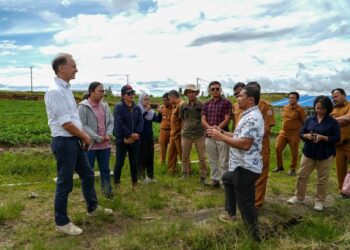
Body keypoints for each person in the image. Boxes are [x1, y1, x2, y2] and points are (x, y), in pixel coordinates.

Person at [45, 53, 112, 236]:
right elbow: (65, 123)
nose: (76, 69)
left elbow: (72, 119)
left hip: (73, 140)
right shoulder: (55, 91)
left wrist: (80, 137)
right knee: (65, 183)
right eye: (73, 66)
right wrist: (85, 136)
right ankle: (62, 222)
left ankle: (92, 208)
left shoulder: (65, 89)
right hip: (64, 141)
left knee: (88, 173)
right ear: (62, 68)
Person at [207, 85, 264, 241]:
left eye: (240, 96)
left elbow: (245, 144)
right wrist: (223, 132)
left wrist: (221, 138)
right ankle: (231, 213)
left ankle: (254, 238)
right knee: (227, 178)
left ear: (250, 99)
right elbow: (239, 135)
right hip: (240, 165)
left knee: (246, 205)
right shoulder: (248, 115)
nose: (237, 98)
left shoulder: (252, 118)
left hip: (246, 167)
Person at [287, 96, 340, 211]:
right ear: (314, 107)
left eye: (322, 109)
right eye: (317, 108)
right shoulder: (309, 120)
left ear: (327, 109)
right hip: (309, 152)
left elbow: (337, 138)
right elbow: (301, 133)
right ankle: (299, 197)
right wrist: (305, 136)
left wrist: (323, 138)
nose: (319, 111)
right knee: (302, 175)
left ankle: (319, 201)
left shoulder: (333, 122)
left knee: (322, 178)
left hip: (325, 154)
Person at [78, 82, 114, 198]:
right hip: (90, 144)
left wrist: (108, 133)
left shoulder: (105, 106)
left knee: (105, 170)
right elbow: (83, 125)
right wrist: (97, 137)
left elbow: (110, 121)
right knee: (89, 172)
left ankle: (107, 192)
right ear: (91, 92)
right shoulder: (83, 107)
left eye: (103, 91)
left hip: (105, 145)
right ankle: (90, 196)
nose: (102, 93)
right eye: (100, 91)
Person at [246, 81, 275, 210]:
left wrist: (249, 135)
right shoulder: (241, 106)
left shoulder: (266, 106)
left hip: (260, 146)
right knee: (246, 175)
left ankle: (256, 205)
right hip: (243, 145)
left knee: (260, 176)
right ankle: (246, 201)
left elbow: (267, 128)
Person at [202, 81, 232, 187]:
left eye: (217, 89)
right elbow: (203, 119)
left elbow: (227, 119)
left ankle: (225, 181)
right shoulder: (206, 103)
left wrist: (218, 129)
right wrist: (209, 128)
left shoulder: (227, 102)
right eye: (213, 89)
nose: (215, 91)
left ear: (221, 89)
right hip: (209, 135)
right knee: (212, 159)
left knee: (224, 160)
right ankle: (215, 179)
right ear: (209, 90)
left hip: (222, 136)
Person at [113, 85, 143, 189]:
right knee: (119, 162)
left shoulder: (137, 108)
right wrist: (129, 135)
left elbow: (140, 122)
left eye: (132, 93)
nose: (131, 95)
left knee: (134, 162)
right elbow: (119, 123)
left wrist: (135, 135)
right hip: (122, 139)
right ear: (123, 95)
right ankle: (117, 183)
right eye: (128, 93)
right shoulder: (119, 107)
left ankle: (135, 183)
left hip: (134, 139)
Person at [180, 84, 208, 185]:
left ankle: (203, 176)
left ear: (196, 93)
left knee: (202, 156)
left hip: (199, 133)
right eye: (189, 92)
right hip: (186, 133)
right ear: (186, 93)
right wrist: (182, 131)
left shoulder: (202, 104)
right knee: (185, 156)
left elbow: (205, 118)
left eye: (193, 92)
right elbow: (182, 119)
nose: (191, 94)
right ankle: (185, 173)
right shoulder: (183, 105)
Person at [273, 91, 306, 176]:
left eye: (293, 98)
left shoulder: (300, 110)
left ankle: (292, 169)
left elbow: (304, 122)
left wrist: (302, 133)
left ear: (297, 99)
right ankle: (279, 166)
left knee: (294, 152)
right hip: (283, 133)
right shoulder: (285, 107)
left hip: (294, 134)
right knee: (277, 148)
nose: (291, 99)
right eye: (290, 98)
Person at [330, 88, 350, 198]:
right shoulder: (333, 110)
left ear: (344, 95)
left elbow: (347, 119)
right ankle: (343, 192)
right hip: (338, 145)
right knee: (340, 169)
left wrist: (330, 122)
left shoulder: (349, 106)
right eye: (333, 97)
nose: (334, 98)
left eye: (336, 96)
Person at [138, 91, 161, 183]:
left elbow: (158, 120)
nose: (147, 101)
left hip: (149, 136)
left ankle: (150, 177)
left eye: (148, 99)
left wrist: (160, 113)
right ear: (141, 100)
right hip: (140, 137)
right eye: (145, 99)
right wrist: (146, 112)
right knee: (142, 157)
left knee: (150, 156)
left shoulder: (150, 112)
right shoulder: (137, 110)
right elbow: (139, 121)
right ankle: (141, 178)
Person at [167, 90, 184, 174]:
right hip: (173, 134)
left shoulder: (181, 105)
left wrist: (180, 132)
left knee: (182, 154)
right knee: (171, 153)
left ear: (173, 97)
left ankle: (187, 171)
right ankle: (171, 170)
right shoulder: (175, 106)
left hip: (179, 134)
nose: (169, 101)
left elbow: (183, 121)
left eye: (170, 99)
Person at [158, 92, 173, 166]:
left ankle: (171, 163)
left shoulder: (174, 108)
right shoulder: (162, 108)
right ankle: (162, 162)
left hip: (172, 131)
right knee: (162, 147)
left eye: (165, 100)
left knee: (172, 148)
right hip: (163, 130)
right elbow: (159, 119)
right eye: (163, 100)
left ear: (169, 100)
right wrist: (159, 112)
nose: (164, 102)